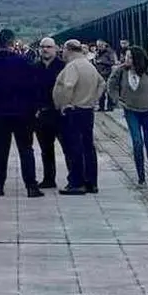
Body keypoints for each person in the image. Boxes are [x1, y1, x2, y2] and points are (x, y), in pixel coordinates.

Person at [0, 28, 43, 198]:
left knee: (0, 150)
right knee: (26, 150)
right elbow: (34, 89)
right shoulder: (25, 62)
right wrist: (33, 109)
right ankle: (31, 186)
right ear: (13, 43)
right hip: (23, 115)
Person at [52, 39, 105, 194]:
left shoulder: (73, 66)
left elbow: (68, 85)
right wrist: (94, 99)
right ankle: (91, 182)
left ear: (68, 50)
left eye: (63, 49)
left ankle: (76, 183)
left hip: (74, 111)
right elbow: (102, 83)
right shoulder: (89, 65)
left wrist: (65, 103)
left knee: (74, 147)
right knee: (88, 147)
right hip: (87, 110)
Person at [108, 45, 148, 186]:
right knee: (137, 142)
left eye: (130, 57)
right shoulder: (122, 71)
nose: (126, 59)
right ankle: (141, 176)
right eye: (126, 56)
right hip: (130, 110)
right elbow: (111, 85)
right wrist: (117, 100)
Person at [31, 37, 66, 189]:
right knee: (46, 149)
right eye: (42, 47)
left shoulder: (63, 67)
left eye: (48, 46)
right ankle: (49, 178)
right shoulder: (34, 67)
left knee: (67, 147)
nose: (45, 49)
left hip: (59, 113)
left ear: (55, 48)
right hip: (42, 114)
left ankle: (75, 178)